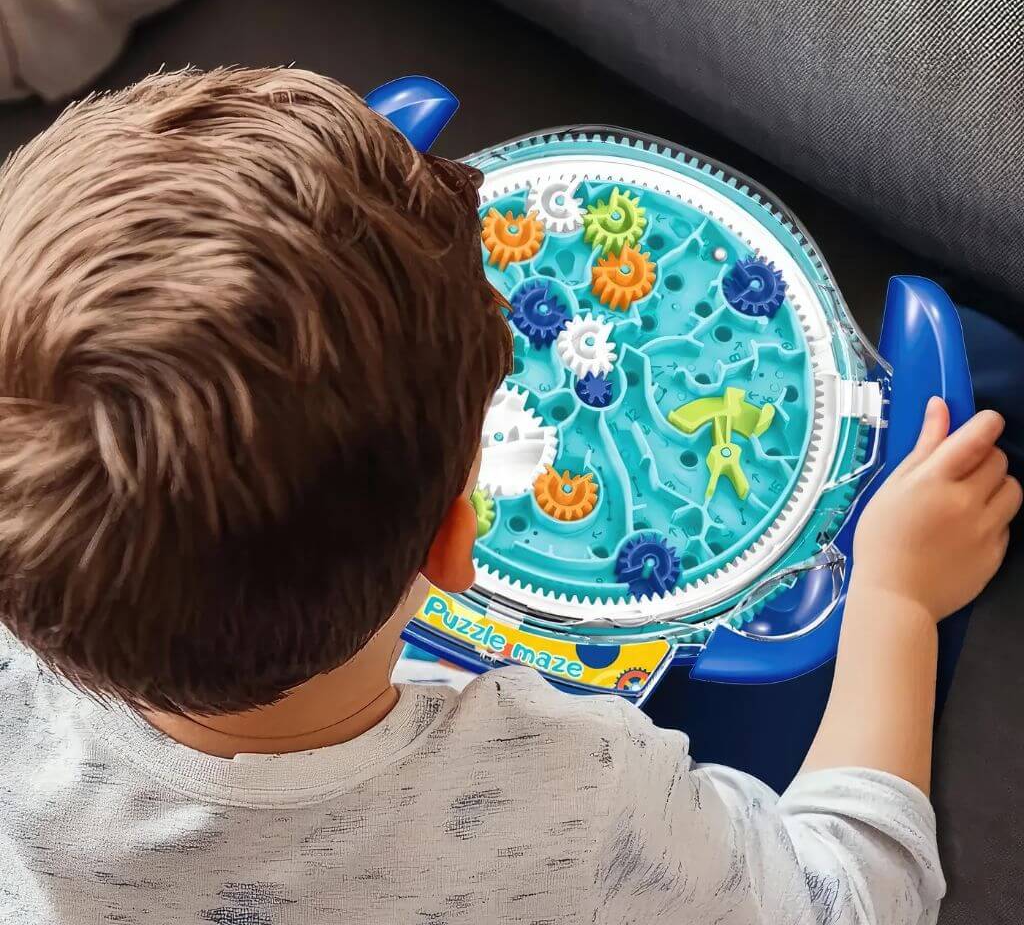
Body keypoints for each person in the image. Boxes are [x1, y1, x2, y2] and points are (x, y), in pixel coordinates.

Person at [0, 67, 1017, 925]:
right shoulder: (572, 787)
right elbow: (842, 898)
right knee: (992, 369)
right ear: (459, 536)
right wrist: (895, 604)